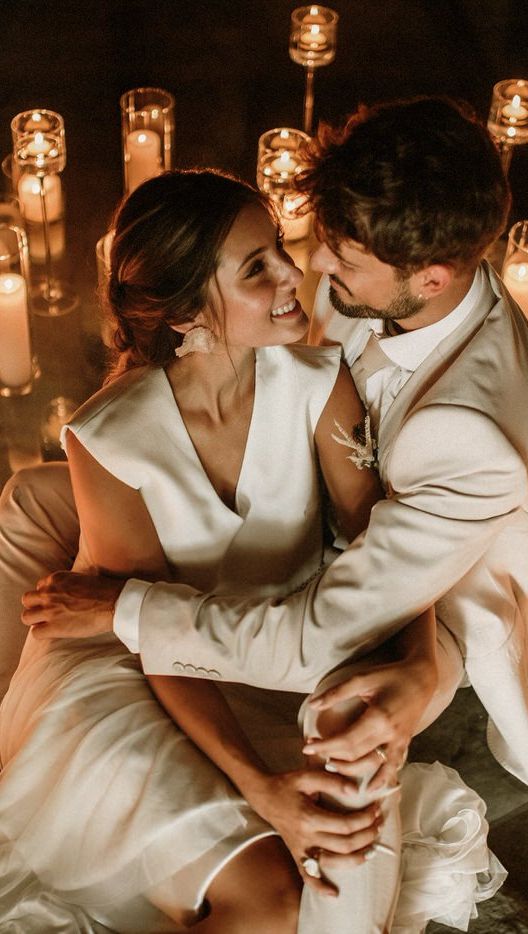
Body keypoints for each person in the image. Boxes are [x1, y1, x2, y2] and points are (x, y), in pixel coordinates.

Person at [20, 97, 528, 794]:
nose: (312, 264)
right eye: (318, 239)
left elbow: (322, 632)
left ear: (431, 277)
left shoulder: (477, 436)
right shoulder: (384, 276)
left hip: (428, 603)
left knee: (344, 758)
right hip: (335, 516)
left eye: (341, 256)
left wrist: (119, 607)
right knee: (30, 497)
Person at [0, 169, 429, 932]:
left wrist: (421, 669)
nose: (293, 273)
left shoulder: (319, 381)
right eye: (257, 267)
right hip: (135, 673)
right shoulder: (107, 438)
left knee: (320, 898)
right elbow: (149, 633)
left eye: (279, 248)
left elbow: (384, 549)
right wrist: (259, 787)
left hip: (278, 656)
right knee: (270, 902)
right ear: (188, 311)